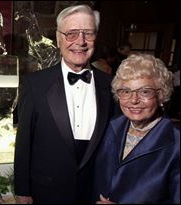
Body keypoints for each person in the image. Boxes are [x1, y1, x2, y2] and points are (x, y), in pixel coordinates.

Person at [14, 4, 117, 204]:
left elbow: (115, 144)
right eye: (71, 34)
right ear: (58, 39)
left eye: (88, 33)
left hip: (94, 194)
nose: (80, 41)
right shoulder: (35, 84)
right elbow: (24, 142)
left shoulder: (111, 86)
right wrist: (22, 190)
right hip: (46, 192)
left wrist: (114, 188)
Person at [93, 54, 180, 204]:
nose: (134, 100)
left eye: (145, 91)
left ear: (161, 95)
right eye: (126, 91)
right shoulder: (110, 126)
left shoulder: (176, 142)